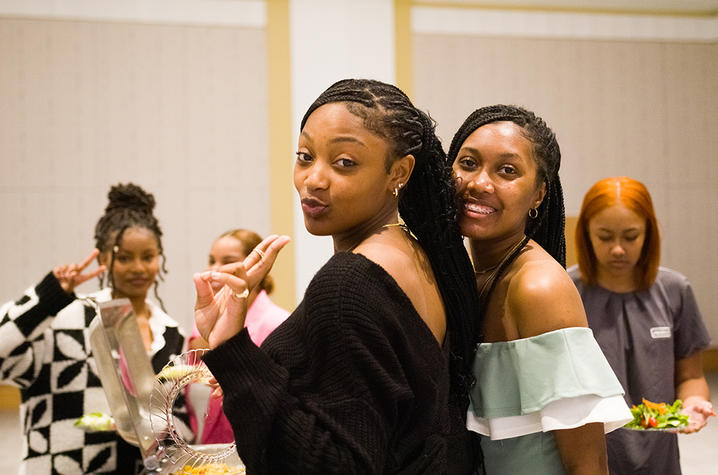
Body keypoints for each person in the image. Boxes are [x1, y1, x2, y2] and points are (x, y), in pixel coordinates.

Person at [193, 78, 481, 474]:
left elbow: (332, 463)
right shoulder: (416, 254)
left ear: (399, 171)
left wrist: (235, 353)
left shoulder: (349, 284)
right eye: (305, 155)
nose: (313, 179)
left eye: (344, 162)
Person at [448, 105, 632, 474]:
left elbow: (588, 462)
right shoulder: (473, 272)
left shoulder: (538, 286)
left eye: (507, 171)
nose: (480, 183)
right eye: (468, 163)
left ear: (538, 194)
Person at [0, 183, 186, 474]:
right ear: (103, 259)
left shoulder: (172, 332)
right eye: (124, 257)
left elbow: (179, 417)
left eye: (147, 257)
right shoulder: (64, 319)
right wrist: (46, 297)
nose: (138, 267)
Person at [569, 176, 714, 475]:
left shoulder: (675, 289)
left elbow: (691, 376)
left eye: (631, 236)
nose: (618, 249)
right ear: (586, 234)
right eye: (605, 237)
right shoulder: (565, 291)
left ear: (649, 234)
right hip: (590, 457)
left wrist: (694, 401)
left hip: (658, 456)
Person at [187, 228, 290, 444]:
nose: (214, 270)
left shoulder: (277, 323)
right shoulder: (204, 321)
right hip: (205, 446)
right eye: (211, 260)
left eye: (227, 261)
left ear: (255, 267)